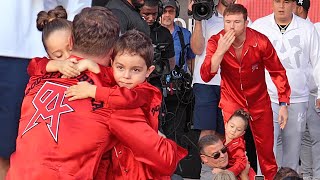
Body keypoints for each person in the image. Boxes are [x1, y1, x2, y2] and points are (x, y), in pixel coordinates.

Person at [6, 7, 186, 179]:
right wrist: (159, 136)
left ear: (70, 42)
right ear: (112, 51)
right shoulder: (111, 97)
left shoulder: (39, 77)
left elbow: (35, 65)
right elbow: (165, 159)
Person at [200, 4, 291, 180]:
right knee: (234, 151)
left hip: (259, 102)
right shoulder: (215, 41)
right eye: (227, 22)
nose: (231, 27)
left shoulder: (261, 41)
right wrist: (220, 52)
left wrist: (283, 103)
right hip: (231, 101)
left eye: (236, 22)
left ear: (246, 22)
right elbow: (205, 75)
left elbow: (278, 71)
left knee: (266, 153)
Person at [0, 1, 90, 179]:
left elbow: (77, 4)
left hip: (25, 49)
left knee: (9, 145)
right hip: (28, 53)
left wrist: (65, 40)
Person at [251, 0, 320, 173]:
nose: (281, 6)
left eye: (286, 2)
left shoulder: (307, 29)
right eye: (278, 1)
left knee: (292, 153)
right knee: (267, 152)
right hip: (265, 98)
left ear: (294, 5)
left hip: (297, 98)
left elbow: (317, 62)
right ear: (272, 4)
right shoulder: (260, 26)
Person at [190, 0, 236, 141]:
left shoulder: (241, 19)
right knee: (207, 132)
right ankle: (207, 163)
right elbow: (197, 49)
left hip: (230, 83)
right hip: (205, 82)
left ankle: (224, 163)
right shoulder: (204, 14)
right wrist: (198, 20)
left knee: (226, 132)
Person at [219, 109, 255, 179]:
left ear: (242, 133)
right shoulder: (224, 141)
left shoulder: (238, 145)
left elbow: (241, 163)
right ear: (226, 125)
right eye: (232, 126)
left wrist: (227, 173)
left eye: (238, 130)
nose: (233, 130)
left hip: (245, 176)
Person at [161, 0, 195, 73]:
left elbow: (190, 60)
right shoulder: (151, 33)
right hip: (155, 81)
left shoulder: (185, 34)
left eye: (171, 11)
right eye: (164, 11)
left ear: (176, 13)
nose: (167, 15)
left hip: (178, 80)